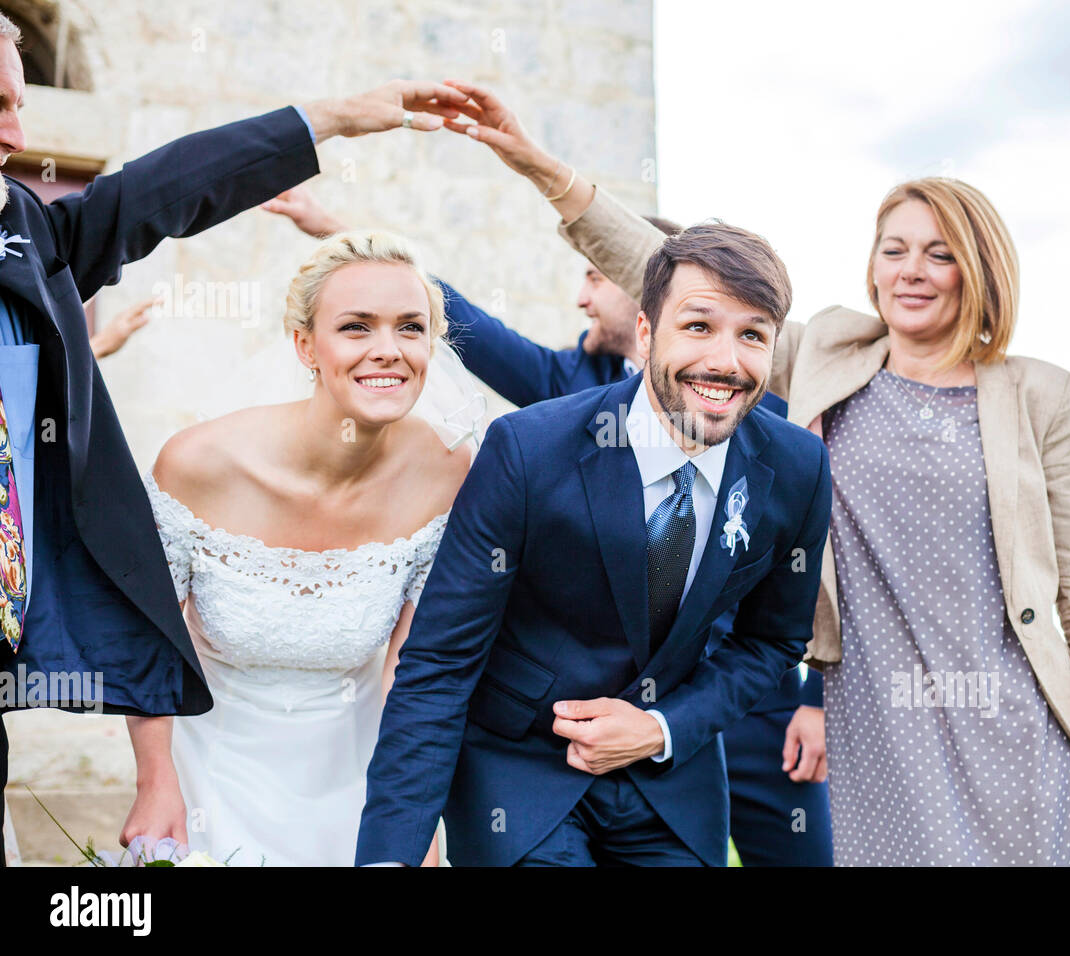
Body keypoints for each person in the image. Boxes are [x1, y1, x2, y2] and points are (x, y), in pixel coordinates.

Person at [442, 82, 1070, 867]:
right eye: (894, 249)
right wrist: (537, 164)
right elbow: (664, 268)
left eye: (940, 252)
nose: (912, 271)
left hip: (1009, 717)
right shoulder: (820, 355)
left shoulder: (1043, 396)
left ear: (979, 268)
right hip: (870, 722)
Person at [0, 3, 472, 865]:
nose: (17, 133)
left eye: (20, 102)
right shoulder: (206, 462)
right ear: (306, 346)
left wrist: (326, 120)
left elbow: (151, 194)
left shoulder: (22, 228)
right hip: (223, 769)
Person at [265, 186, 832, 865]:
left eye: (752, 336)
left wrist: (659, 727)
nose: (725, 361)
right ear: (648, 333)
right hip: (520, 772)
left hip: (672, 786)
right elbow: (440, 663)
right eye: (699, 326)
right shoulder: (528, 450)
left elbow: (769, 644)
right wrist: (391, 852)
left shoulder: (798, 467)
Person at [120, 231, 475, 866]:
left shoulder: (446, 469)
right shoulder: (198, 463)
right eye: (357, 328)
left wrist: (412, 815)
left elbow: (411, 666)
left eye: (411, 328)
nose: (388, 351)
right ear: (305, 345)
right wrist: (156, 783)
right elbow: (147, 644)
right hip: (208, 769)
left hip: (361, 774)